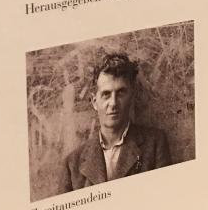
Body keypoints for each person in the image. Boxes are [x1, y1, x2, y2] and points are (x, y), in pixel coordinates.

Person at [60, 52, 171, 191]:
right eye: (106, 94)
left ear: (131, 96)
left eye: (121, 93)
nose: (113, 103)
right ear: (94, 102)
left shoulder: (155, 145)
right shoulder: (72, 164)